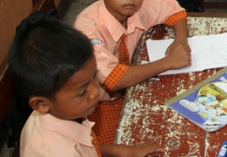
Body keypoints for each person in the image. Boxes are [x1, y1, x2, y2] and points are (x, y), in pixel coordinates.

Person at [74, 0, 192, 145]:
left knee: (179, 127)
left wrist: (180, 42)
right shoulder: (87, 29)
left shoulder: (139, 6)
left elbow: (176, 11)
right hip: (97, 104)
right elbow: (114, 80)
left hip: (136, 87)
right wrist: (168, 62)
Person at [9, 14, 163, 156]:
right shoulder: (58, 151)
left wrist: (119, 150)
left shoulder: (63, 112)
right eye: (82, 91)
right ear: (40, 104)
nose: (95, 92)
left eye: (94, 76)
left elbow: (84, 145)